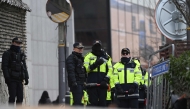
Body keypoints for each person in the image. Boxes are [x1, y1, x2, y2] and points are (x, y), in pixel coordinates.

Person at [84, 40, 113, 107]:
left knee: (102, 104)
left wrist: (105, 80)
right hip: (92, 84)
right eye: (95, 46)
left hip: (103, 84)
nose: (97, 47)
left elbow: (110, 70)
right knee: (93, 103)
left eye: (98, 46)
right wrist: (96, 64)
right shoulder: (88, 56)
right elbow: (86, 69)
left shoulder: (106, 57)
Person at [1, 37, 29, 105]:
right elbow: (4, 66)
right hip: (12, 79)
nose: (18, 45)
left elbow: (24, 67)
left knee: (20, 98)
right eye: (16, 43)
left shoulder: (21, 55)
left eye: (19, 43)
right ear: (13, 42)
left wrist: (26, 77)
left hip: (19, 79)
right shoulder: (7, 53)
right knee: (12, 98)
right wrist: (7, 78)